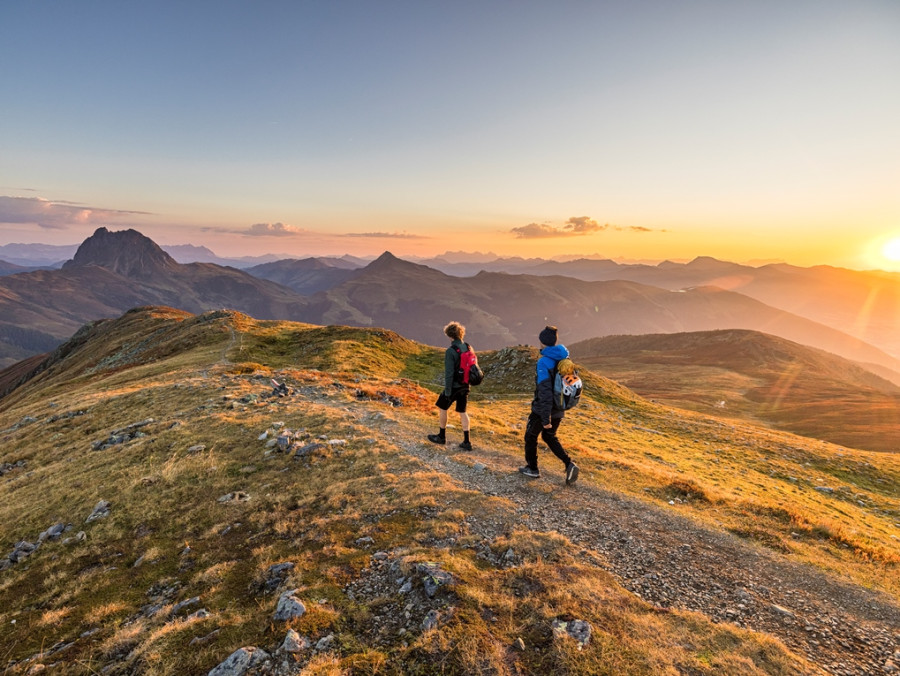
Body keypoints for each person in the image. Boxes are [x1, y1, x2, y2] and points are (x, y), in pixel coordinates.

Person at [519, 325, 579, 485]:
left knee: (530, 436)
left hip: (544, 409)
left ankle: (532, 469)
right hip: (560, 406)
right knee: (548, 436)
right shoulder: (564, 359)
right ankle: (569, 463)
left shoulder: (544, 362)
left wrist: (545, 418)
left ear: (542, 342)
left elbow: (544, 391)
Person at [427, 321, 473, 450]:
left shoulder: (451, 351)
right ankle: (467, 442)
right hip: (465, 385)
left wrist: (447, 392)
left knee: (443, 407)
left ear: (449, 335)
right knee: (463, 411)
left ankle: (441, 436)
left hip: (454, 386)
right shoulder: (469, 347)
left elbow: (449, 373)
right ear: (461, 333)